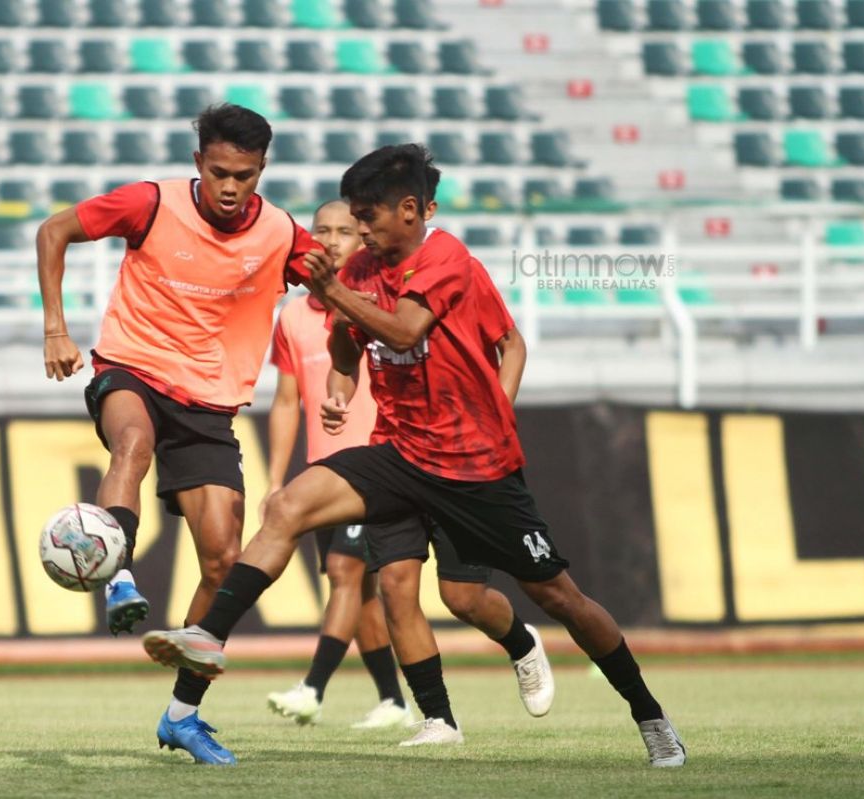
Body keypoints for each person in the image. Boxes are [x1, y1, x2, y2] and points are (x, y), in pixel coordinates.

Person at [142, 145, 687, 768]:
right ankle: (209, 639)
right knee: (289, 506)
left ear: (409, 210)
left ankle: (651, 716)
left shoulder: (445, 256)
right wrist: (342, 386)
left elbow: (403, 330)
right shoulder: (362, 270)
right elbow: (348, 341)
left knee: (558, 597)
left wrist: (329, 290)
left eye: (368, 216)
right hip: (399, 453)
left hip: (475, 466)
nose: (361, 230)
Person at [35, 104, 320, 766]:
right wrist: (56, 326)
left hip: (209, 404)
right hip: (130, 367)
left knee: (224, 561)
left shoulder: (280, 232)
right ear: (198, 163)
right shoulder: (150, 203)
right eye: (218, 171)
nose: (229, 187)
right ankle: (117, 576)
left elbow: (335, 288)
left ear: (262, 171)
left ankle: (182, 715)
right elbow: (55, 231)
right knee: (130, 442)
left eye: (244, 176)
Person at [263, 199, 552, 729]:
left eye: (348, 230)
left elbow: (508, 344)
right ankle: (435, 719)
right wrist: (327, 404)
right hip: (374, 463)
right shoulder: (299, 317)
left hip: (453, 460)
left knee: (462, 597)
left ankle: (518, 640)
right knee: (387, 585)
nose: (332, 241)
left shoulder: (430, 282)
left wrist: (496, 416)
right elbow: (295, 395)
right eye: (321, 230)